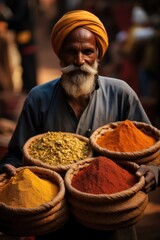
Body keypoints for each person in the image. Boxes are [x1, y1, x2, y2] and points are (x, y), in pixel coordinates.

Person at [0, 9, 159, 240]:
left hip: (111, 220)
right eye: (71, 52)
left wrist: (154, 172)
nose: (79, 61)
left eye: (87, 52)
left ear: (98, 55)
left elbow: (155, 153)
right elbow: (14, 155)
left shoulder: (121, 94)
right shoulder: (39, 98)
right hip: (56, 223)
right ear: (60, 55)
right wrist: (9, 167)